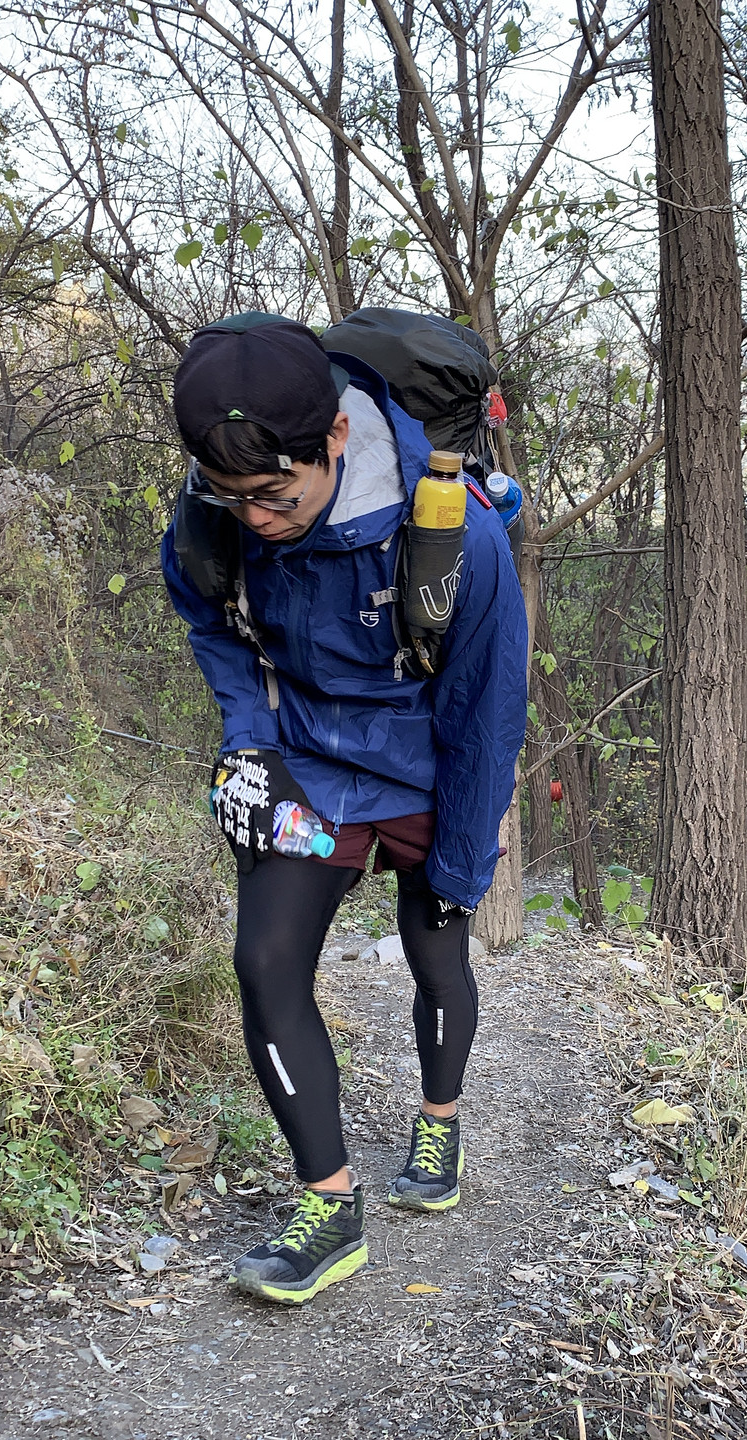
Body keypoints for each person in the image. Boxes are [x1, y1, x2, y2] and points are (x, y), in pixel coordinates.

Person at [160, 311, 527, 1305]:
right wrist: (250, 742)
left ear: (333, 443)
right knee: (265, 959)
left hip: (426, 764)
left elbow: (487, 710)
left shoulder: (456, 539)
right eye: (231, 499)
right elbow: (210, 620)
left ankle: (440, 1121)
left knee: (436, 950)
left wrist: (460, 855)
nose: (255, 519)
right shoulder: (213, 515)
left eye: (274, 497)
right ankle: (330, 1207)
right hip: (310, 761)